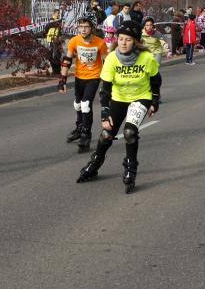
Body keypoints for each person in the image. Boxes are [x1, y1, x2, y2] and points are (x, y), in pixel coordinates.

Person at [77, 20, 162, 194]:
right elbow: (105, 89)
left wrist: (154, 102)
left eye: (128, 39)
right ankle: (95, 163)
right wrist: (104, 113)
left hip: (141, 97)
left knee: (130, 132)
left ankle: (131, 168)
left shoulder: (146, 58)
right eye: (121, 39)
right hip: (119, 98)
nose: (123, 43)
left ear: (136, 42)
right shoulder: (112, 58)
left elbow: (156, 80)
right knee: (107, 134)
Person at [58, 14, 108, 152]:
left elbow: (106, 62)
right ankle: (79, 127)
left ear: (92, 28)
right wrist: (62, 81)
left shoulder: (100, 43)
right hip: (79, 76)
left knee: (86, 104)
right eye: (81, 26)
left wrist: (108, 83)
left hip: (94, 76)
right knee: (78, 105)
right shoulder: (74, 41)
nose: (83, 29)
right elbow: (67, 60)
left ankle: (86, 134)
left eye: (86, 27)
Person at [45, 10, 63, 75]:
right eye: (58, 13)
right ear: (54, 13)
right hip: (51, 39)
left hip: (57, 39)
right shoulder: (51, 20)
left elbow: (60, 30)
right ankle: (53, 69)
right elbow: (46, 28)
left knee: (57, 54)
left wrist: (60, 36)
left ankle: (57, 70)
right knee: (52, 54)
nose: (58, 14)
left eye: (59, 13)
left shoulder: (59, 20)